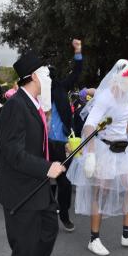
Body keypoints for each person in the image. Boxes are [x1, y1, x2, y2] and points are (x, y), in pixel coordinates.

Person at [0, 51, 65, 256]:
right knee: (25, 243)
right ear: (35, 76)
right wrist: (47, 167)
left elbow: (37, 146)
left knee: (48, 232)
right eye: (47, 75)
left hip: (38, 187)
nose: (50, 80)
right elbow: (13, 153)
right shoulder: (16, 106)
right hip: (21, 190)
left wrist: (61, 153)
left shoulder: (33, 103)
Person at [67, 59, 128, 256]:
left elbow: (126, 124)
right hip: (104, 150)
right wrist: (90, 155)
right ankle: (94, 239)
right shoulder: (105, 97)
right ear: (122, 78)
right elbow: (89, 126)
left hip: (123, 151)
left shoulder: (127, 98)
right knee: (101, 194)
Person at [48, 39, 84, 232]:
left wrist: (78, 51)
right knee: (42, 179)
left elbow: (76, 72)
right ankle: (45, 211)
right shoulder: (33, 95)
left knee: (65, 181)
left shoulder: (60, 88)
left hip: (61, 143)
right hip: (42, 143)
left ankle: (64, 214)